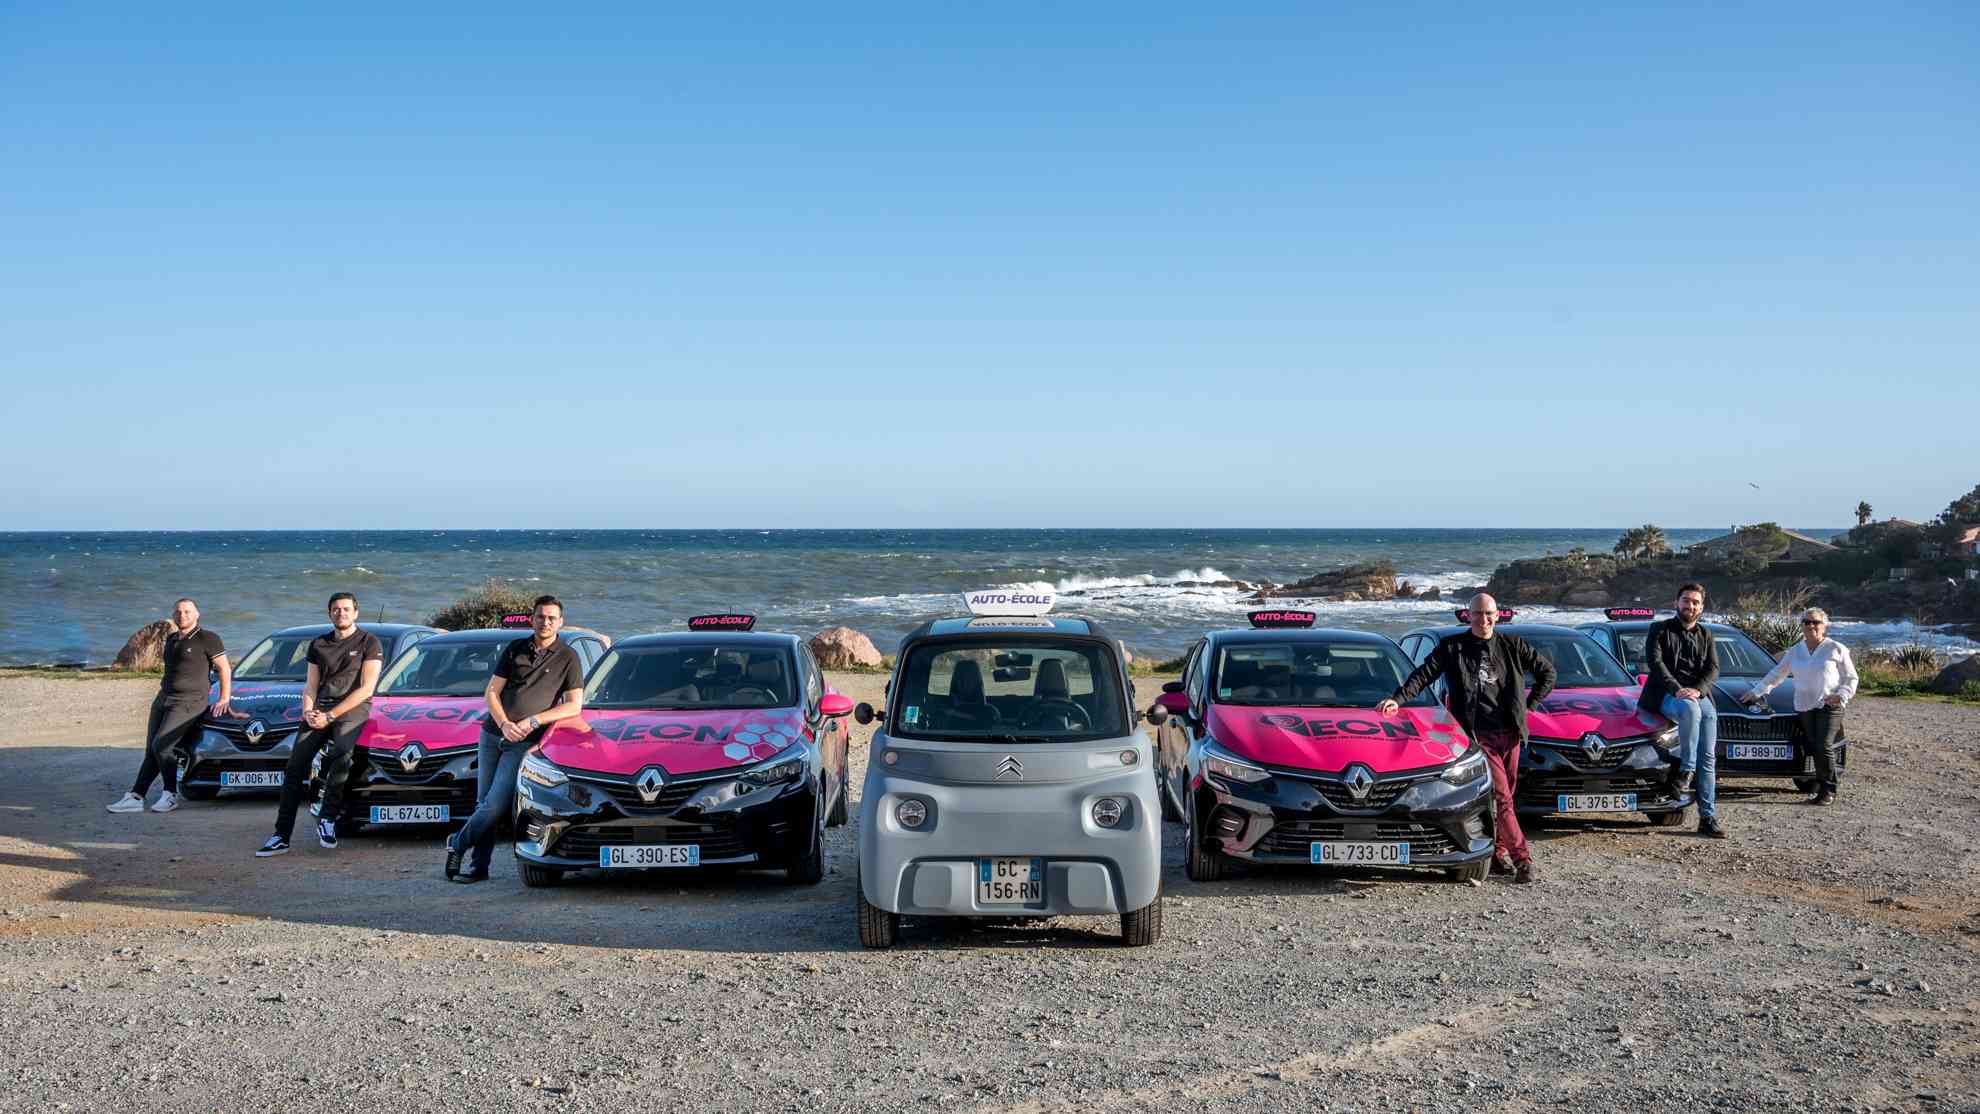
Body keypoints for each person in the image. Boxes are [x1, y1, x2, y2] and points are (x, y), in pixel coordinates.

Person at [1379, 593, 1556, 884]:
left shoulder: (1513, 645)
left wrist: (1529, 706)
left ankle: (1497, 855)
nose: (1483, 619)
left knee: (1505, 798)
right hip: (1476, 736)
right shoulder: (1453, 647)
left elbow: (1547, 673)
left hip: (1510, 734)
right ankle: (1523, 860)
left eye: (1489, 614)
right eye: (1477, 614)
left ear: (1497, 616)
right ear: (1467, 615)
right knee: (1502, 798)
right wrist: (1398, 699)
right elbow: (1422, 675)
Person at [446, 596, 586, 883]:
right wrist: (505, 723)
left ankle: (457, 843)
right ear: (531, 619)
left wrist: (533, 721)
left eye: (551, 618)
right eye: (540, 617)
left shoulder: (568, 657)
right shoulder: (515, 648)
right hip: (492, 734)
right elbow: (491, 693)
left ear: (560, 621)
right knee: (483, 802)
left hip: (524, 741)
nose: (545, 622)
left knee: (495, 804)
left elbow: (574, 705)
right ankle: (478, 868)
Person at [256, 593, 384, 856]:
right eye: (336, 609)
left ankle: (327, 818)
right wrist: (308, 711)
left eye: (347, 609)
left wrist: (331, 715)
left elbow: (367, 688)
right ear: (329, 614)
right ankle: (280, 836)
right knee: (294, 768)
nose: (341, 613)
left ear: (356, 613)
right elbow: (311, 685)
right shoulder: (318, 644)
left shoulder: (369, 642)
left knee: (341, 755)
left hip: (353, 709)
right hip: (319, 708)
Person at [107, 598, 235, 814]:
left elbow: (224, 669)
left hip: (189, 702)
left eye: (187, 611)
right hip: (163, 699)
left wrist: (224, 698)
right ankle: (136, 797)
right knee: (152, 749)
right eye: (178, 612)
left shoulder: (208, 638)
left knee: (163, 746)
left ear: (197, 614)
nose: (182, 615)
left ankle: (170, 794)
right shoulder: (172, 638)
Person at [1741, 607, 1857, 805]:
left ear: (1825, 626)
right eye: (1807, 622)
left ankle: (1829, 789)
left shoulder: (1836, 648)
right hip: (1804, 707)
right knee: (1813, 747)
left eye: (1816, 622)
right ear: (1802, 626)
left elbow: (1851, 677)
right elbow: (1777, 674)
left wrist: (1842, 695)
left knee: (1824, 744)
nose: (1811, 626)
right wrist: (1756, 691)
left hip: (1829, 705)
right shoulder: (1795, 651)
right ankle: (1819, 787)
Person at [1640, 583, 1725, 838]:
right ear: (1676, 603)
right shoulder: (1659, 629)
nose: (1690, 606)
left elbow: (1713, 669)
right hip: (1667, 694)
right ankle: (1686, 771)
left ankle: (1707, 817)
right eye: (1686, 600)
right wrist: (1677, 689)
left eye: (1695, 602)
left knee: (1708, 757)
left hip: (1699, 696)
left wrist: (1698, 689)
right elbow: (1655, 663)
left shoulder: (1706, 634)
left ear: (1702, 607)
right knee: (1690, 710)